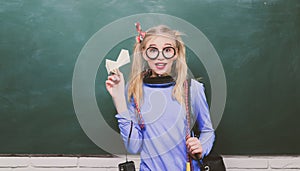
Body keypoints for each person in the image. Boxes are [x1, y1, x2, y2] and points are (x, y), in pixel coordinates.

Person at [105, 23, 215, 171]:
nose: (160, 57)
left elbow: (208, 131)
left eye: (167, 50)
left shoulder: (192, 88)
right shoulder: (134, 90)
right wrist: (119, 99)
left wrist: (202, 147)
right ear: (144, 53)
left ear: (176, 53)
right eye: (153, 50)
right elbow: (133, 146)